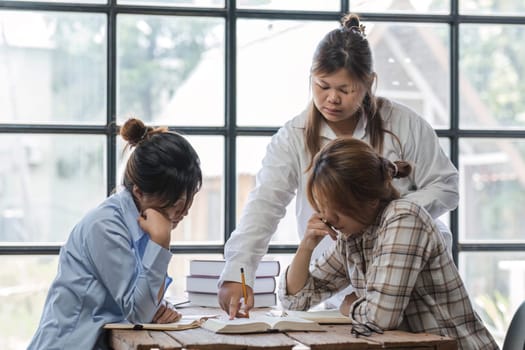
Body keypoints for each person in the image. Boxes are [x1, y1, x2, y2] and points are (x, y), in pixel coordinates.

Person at [218, 13, 459, 318]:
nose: (332, 99)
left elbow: (446, 187)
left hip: (409, 286)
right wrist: (237, 272)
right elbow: (264, 205)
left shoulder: (405, 123)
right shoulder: (292, 137)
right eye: (322, 86)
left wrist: (384, 215)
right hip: (333, 287)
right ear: (311, 77)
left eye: (345, 90)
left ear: (369, 83)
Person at [279, 137, 498, 350]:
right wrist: (307, 245)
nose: (327, 217)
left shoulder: (404, 217)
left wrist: (349, 308)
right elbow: (296, 302)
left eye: (335, 207)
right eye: (322, 205)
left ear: (369, 198)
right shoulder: (355, 236)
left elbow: (381, 317)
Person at [28, 118, 202, 350]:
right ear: (139, 192)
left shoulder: (139, 223)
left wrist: (158, 306)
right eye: (175, 204)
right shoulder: (106, 226)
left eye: (186, 201)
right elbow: (139, 313)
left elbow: (142, 304)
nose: (183, 212)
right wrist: (160, 243)